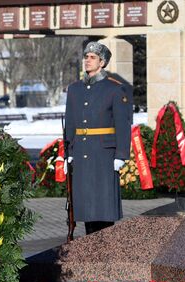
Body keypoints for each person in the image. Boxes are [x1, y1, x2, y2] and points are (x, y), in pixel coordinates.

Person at [64, 41, 132, 235]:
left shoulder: (114, 89)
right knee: (86, 206)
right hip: (82, 152)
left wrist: (120, 155)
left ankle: (105, 251)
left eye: (92, 57)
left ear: (102, 62)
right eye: (86, 57)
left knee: (103, 205)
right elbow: (70, 122)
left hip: (103, 154)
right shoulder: (75, 89)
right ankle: (90, 249)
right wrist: (67, 152)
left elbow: (122, 124)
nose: (87, 60)